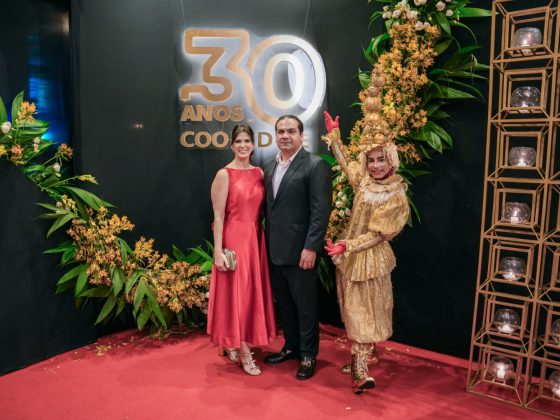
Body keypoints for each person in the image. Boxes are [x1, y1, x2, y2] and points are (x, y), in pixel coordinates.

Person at [322, 81, 409, 393]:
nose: (375, 166)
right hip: (350, 256)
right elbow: (348, 167)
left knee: (365, 311)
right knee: (352, 309)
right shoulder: (364, 182)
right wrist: (335, 138)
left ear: (391, 159)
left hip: (369, 257)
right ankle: (365, 354)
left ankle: (360, 370)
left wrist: (348, 245)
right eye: (371, 160)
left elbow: (380, 235)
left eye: (380, 159)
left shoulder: (395, 194)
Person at [263, 115, 332, 380]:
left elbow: (320, 211)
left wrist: (311, 247)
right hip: (275, 251)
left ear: (301, 135)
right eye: (281, 131)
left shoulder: (315, 165)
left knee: (305, 307)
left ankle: (307, 355)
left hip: (302, 252)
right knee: (285, 305)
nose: (285, 136)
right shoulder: (269, 167)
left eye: (291, 131)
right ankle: (291, 347)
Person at [207, 124, 276, 376]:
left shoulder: (259, 173)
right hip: (234, 239)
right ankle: (244, 351)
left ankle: (234, 343)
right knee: (238, 295)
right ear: (231, 145)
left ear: (253, 145)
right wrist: (218, 251)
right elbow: (218, 217)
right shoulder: (224, 174)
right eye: (238, 141)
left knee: (250, 293)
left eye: (247, 141)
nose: (243, 145)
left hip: (255, 239)